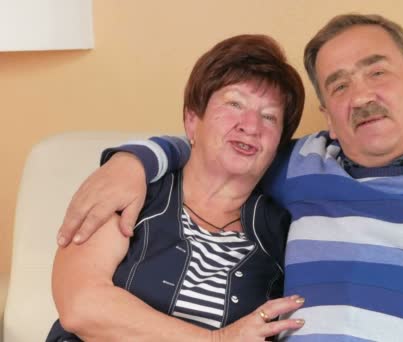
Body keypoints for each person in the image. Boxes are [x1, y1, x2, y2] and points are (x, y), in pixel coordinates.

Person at [57, 14, 403, 341]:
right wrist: (134, 161)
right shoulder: (304, 164)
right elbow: (216, 150)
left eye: (377, 71)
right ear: (327, 112)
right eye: (339, 85)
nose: (360, 95)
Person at [47, 34, 308, 342]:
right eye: (235, 103)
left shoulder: (283, 232)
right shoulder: (133, 190)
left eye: (269, 117)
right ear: (191, 120)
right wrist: (215, 340)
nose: (250, 126)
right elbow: (82, 307)